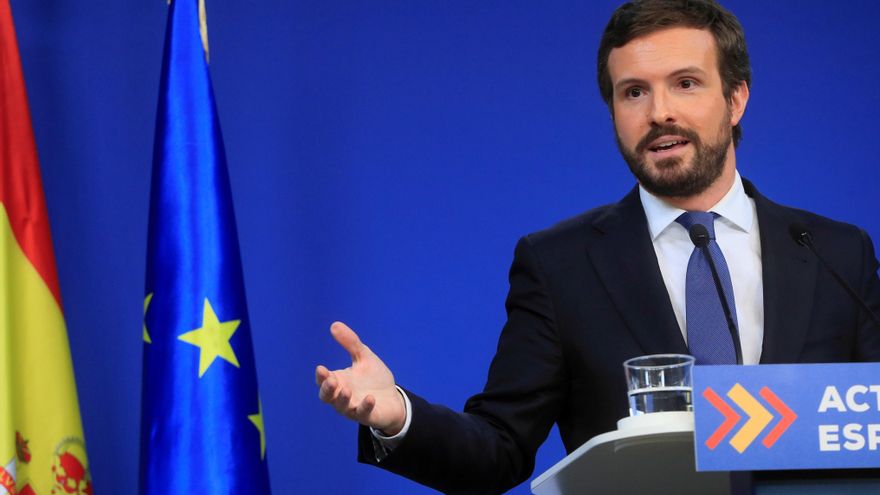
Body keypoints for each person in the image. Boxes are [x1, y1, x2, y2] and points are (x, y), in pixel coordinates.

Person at [315, 0, 880, 493]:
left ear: (736, 100)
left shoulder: (837, 254)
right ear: (613, 111)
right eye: (634, 91)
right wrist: (399, 417)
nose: (659, 112)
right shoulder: (560, 265)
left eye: (686, 83)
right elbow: (499, 449)